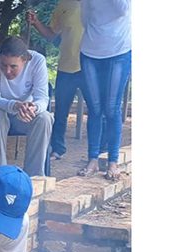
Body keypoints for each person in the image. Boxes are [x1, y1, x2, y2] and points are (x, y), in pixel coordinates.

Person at [0, 36, 53, 177]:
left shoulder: (38, 60)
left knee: (45, 118)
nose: (7, 71)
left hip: (22, 116)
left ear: (25, 60)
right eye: (4, 65)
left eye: (13, 66)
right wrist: (14, 105)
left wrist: (33, 108)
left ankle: (34, 177)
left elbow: (42, 98)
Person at [76, 0, 131, 180]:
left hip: (119, 50)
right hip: (90, 51)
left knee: (112, 108)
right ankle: (92, 159)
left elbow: (123, 9)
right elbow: (85, 19)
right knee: (95, 108)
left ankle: (112, 161)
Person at [26, 0, 83, 161]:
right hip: (66, 66)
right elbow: (53, 35)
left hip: (91, 65)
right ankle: (57, 149)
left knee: (97, 110)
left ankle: (99, 151)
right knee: (60, 111)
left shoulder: (98, 4)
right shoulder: (63, 5)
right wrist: (36, 22)